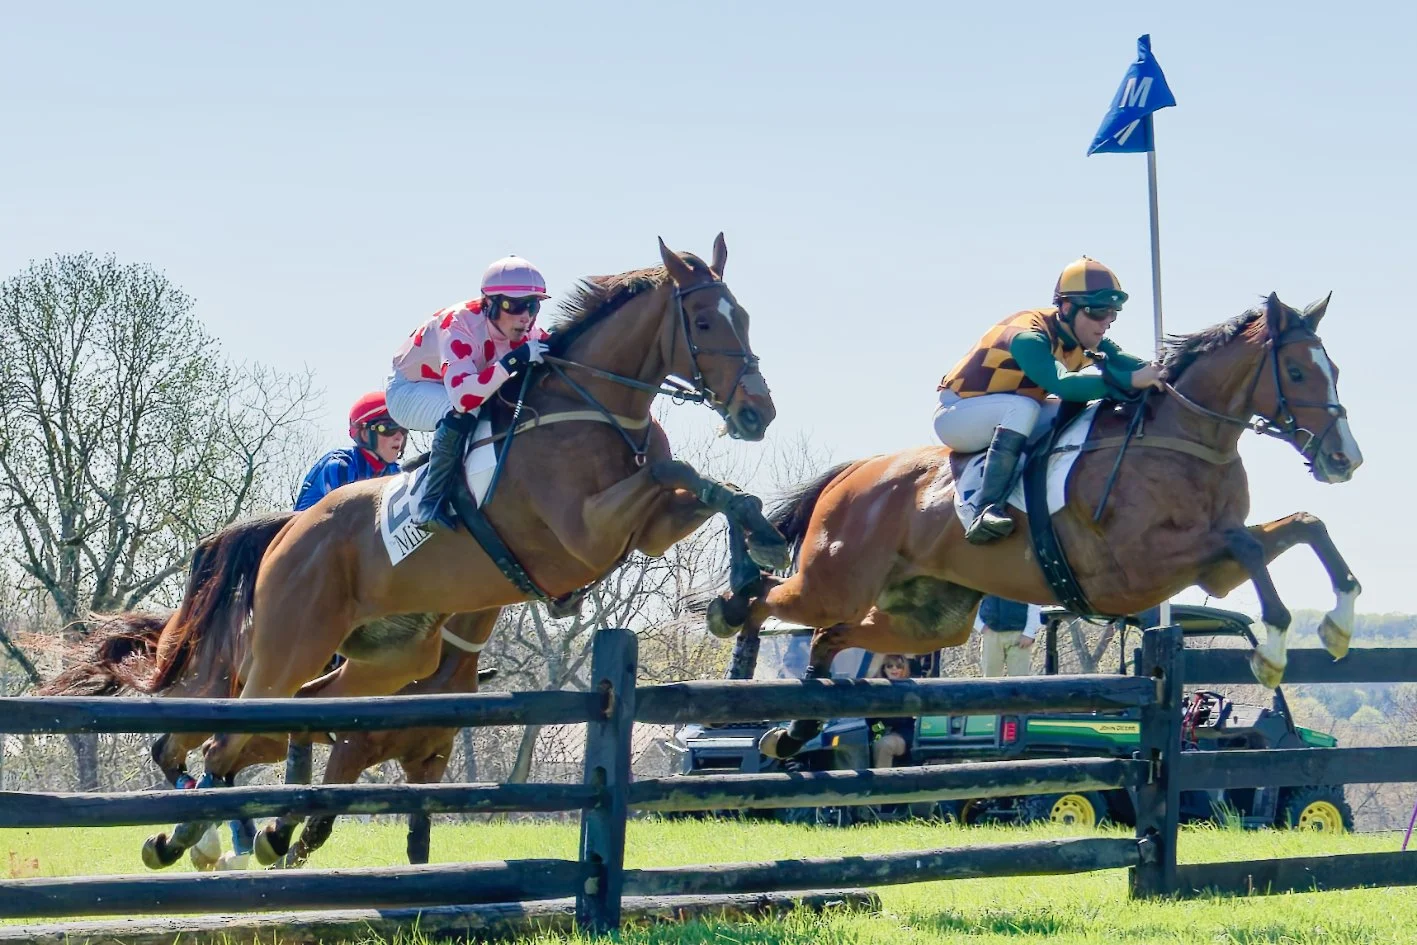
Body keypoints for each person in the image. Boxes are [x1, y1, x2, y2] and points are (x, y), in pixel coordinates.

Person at [934, 257, 1164, 544]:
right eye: (1098, 312)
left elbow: (1127, 363)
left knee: (1082, 415)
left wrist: (1170, 371)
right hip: (957, 414)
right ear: (1067, 308)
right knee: (1025, 407)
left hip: (1004, 411)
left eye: (1113, 313)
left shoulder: (1084, 335)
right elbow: (1063, 385)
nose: (1106, 322)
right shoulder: (1028, 336)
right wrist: (1129, 382)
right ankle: (985, 508)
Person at [386, 255, 552, 532]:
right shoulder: (458, 324)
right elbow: (464, 398)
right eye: (514, 305)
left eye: (533, 306)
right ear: (490, 304)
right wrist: (513, 360)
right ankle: (430, 502)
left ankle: (435, 461)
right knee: (462, 411)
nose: (525, 316)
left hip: (456, 387)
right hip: (409, 390)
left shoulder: (527, 331)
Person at [294, 391, 406, 511]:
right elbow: (350, 517)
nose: (399, 437)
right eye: (388, 428)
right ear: (365, 434)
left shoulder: (395, 471)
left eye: (403, 428)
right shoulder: (340, 465)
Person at [977, 595, 1041, 678]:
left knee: (1020, 679)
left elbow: (1034, 601)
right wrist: (979, 625)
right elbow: (972, 598)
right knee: (990, 678)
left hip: (1019, 634)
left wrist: (1029, 633)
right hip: (991, 633)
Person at [868, 655, 915, 768]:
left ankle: (883, 783)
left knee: (884, 745)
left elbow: (905, 721)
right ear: (883, 668)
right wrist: (879, 730)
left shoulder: (911, 688)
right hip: (877, 733)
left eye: (899, 666)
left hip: (903, 734)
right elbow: (870, 721)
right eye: (890, 666)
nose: (894, 669)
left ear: (904, 669)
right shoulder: (874, 689)